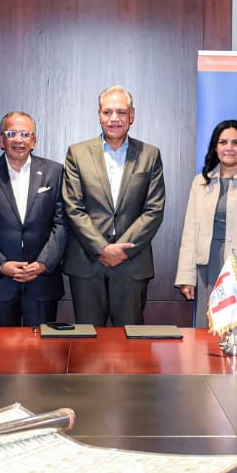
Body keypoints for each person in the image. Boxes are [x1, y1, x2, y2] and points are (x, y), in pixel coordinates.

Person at [62, 85, 165, 326]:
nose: (114, 118)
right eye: (107, 112)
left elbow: (154, 209)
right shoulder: (77, 153)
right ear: (99, 115)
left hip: (131, 262)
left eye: (121, 112)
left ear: (132, 115)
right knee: (88, 341)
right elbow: (73, 207)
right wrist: (102, 248)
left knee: (130, 341)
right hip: (87, 262)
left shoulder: (150, 154)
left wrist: (121, 250)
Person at [0, 111, 67, 326]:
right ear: (1, 140)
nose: (18, 140)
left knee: (42, 346)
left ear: (33, 140)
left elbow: (61, 224)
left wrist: (43, 263)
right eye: (11, 133)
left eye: (25, 134)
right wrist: (0, 264)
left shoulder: (54, 172)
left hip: (42, 281)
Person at [176, 120, 237, 327]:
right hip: (206, 268)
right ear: (215, 147)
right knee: (206, 333)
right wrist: (186, 276)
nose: (229, 148)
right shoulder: (200, 182)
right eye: (223, 142)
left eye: (235, 143)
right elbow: (190, 232)